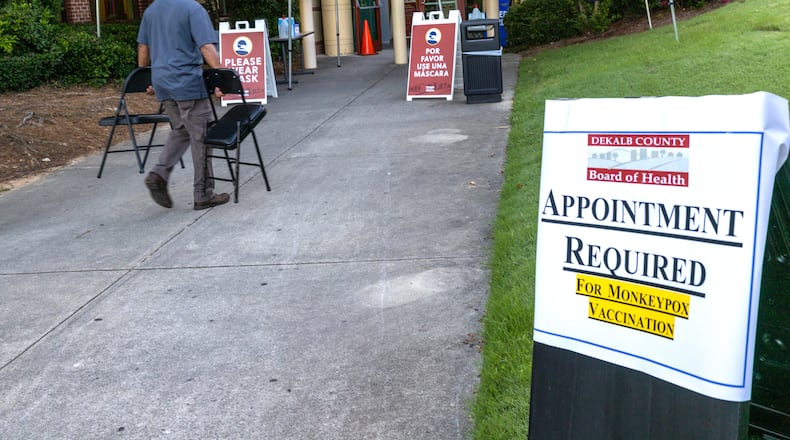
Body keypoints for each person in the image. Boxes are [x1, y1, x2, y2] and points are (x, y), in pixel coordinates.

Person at [137, 0, 230, 210]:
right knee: (202, 137)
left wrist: (145, 76)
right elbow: (206, 46)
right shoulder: (193, 9)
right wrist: (223, 78)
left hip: (163, 83)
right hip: (187, 82)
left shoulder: (151, 11)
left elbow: (143, 48)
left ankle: (159, 174)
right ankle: (203, 193)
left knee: (181, 130)